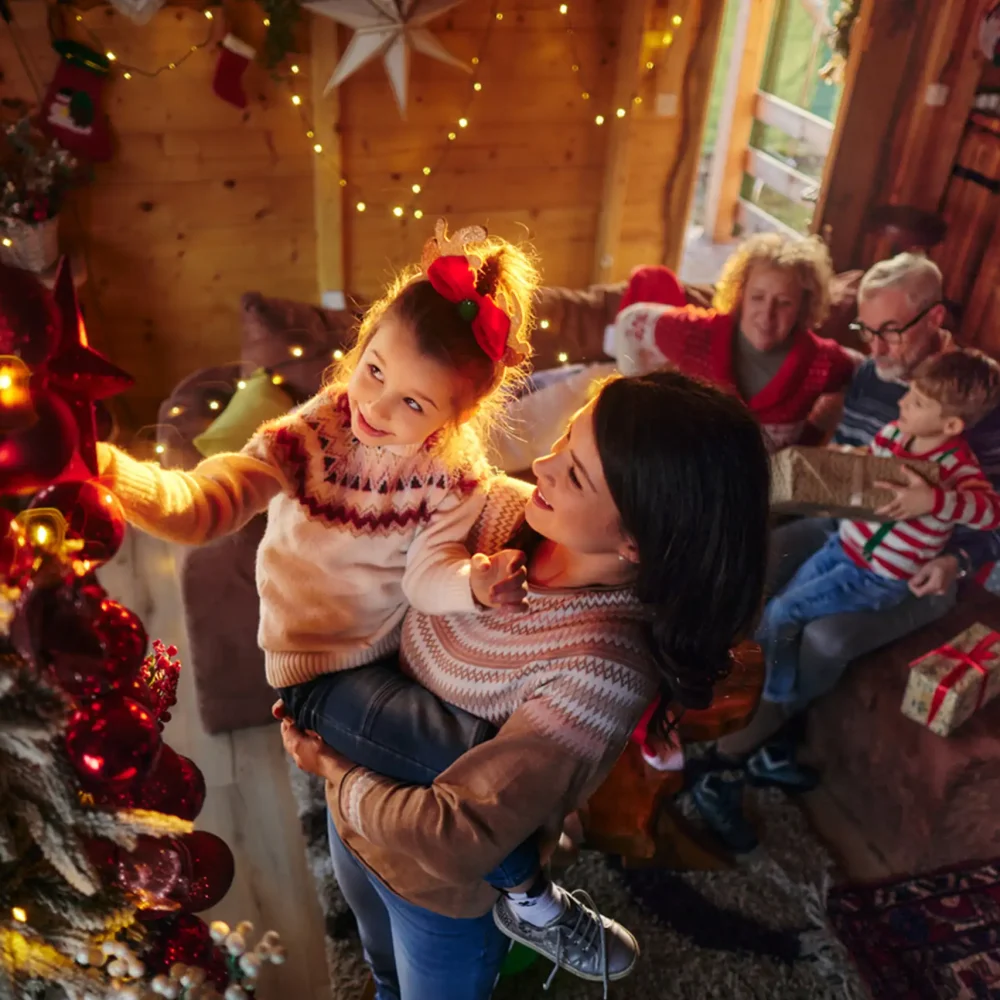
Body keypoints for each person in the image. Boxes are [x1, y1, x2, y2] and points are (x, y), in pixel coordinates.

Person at [94, 222, 635, 972]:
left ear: (458, 415)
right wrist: (106, 471)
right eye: (373, 370)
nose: (378, 406)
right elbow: (205, 504)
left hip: (384, 664)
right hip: (314, 676)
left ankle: (502, 894)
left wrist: (472, 585)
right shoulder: (312, 433)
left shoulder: (455, 478)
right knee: (465, 755)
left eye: (415, 404)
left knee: (477, 773)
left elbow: (425, 576)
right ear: (362, 342)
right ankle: (530, 896)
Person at [278, 370, 772, 1000]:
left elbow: (459, 837)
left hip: (442, 895)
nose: (541, 464)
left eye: (575, 475)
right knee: (381, 974)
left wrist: (334, 773)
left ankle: (532, 910)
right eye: (565, 440)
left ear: (637, 540)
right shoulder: (497, 511)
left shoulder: (602, 669)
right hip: (355, 835)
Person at [692, 252, 1000, 854]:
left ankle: (726, 763)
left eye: (890, 331)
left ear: (934, 317)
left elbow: (988, 513)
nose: (876, 349)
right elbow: (851, 463)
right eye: (867, 331)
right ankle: (734, 714)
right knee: (760, 563)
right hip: (850, 534)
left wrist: (956, 563)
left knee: (824, 637)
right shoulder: (869, 375)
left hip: (917, 567)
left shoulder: (977, 408)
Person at [757, 350, 1000, 708]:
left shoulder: (957, 470)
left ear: (951, 426)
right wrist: (848, 460)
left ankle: (773, 696)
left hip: (877, 576)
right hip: (840, 547)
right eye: (909, 393)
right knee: (785, 601)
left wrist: (933, 501)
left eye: (917, 402)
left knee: (782, 611)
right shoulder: (893, 433)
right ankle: (772, 676)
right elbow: (870, 461)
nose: (902, 402)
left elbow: (991, 512)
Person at [611, 232, 860, 452]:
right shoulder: (697, 336)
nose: (767, 314)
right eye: (757, 297)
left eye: (784, 302)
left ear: (804, 305)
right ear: (740, 295)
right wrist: (640, 407)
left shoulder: (823, 362)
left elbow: (862, 372)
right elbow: (631, 322)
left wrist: (816, 432)